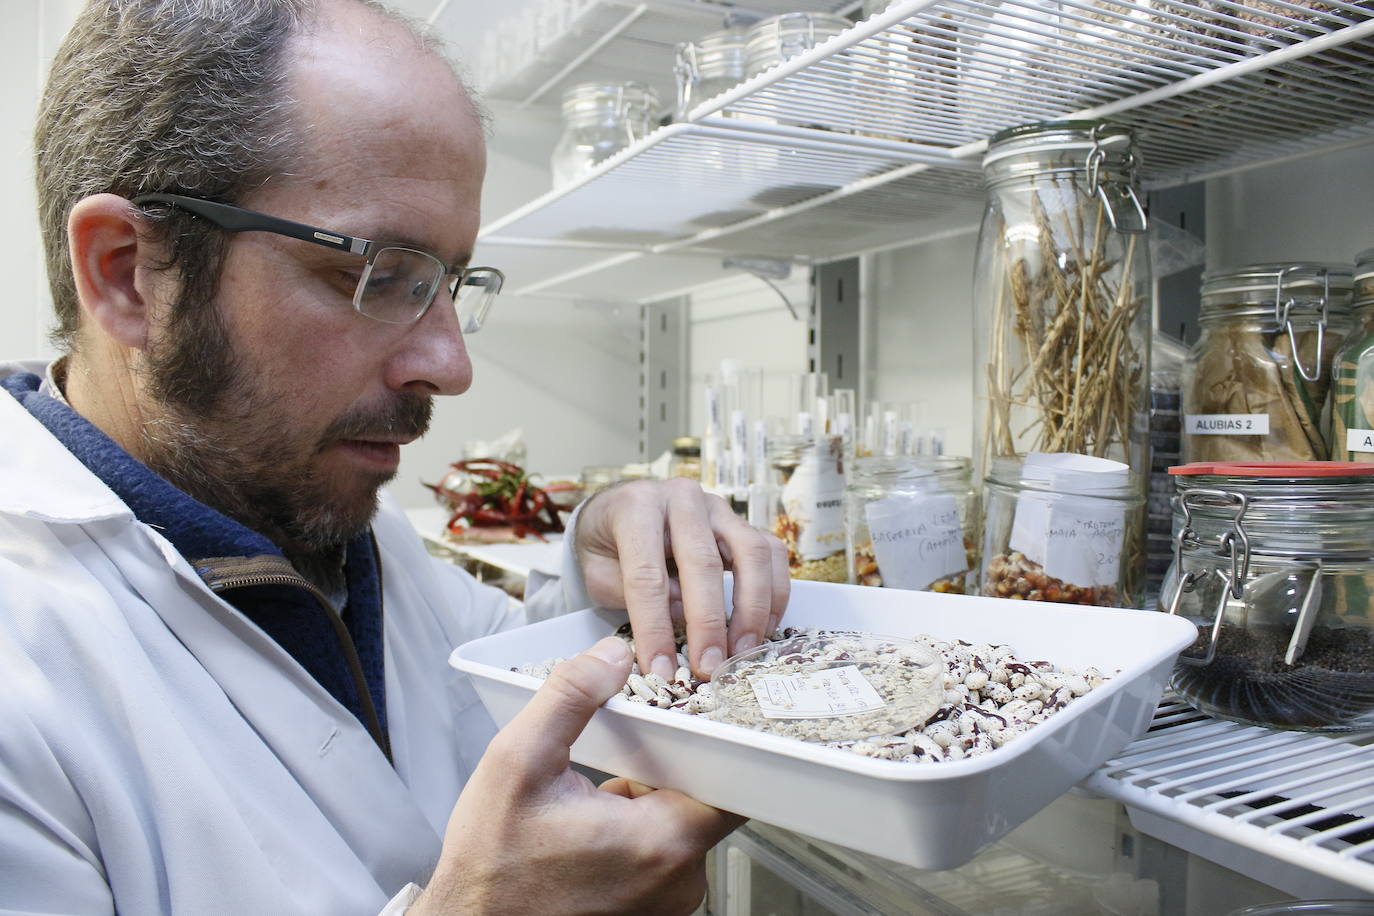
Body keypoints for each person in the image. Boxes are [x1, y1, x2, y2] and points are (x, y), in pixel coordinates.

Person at [0, 1, 790, 913]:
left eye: (449, 283)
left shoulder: (310, 509)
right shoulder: (29, 675)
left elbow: (499, 671)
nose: (450, 367)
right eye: (376, 274)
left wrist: (607, 554)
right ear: (126, 272)